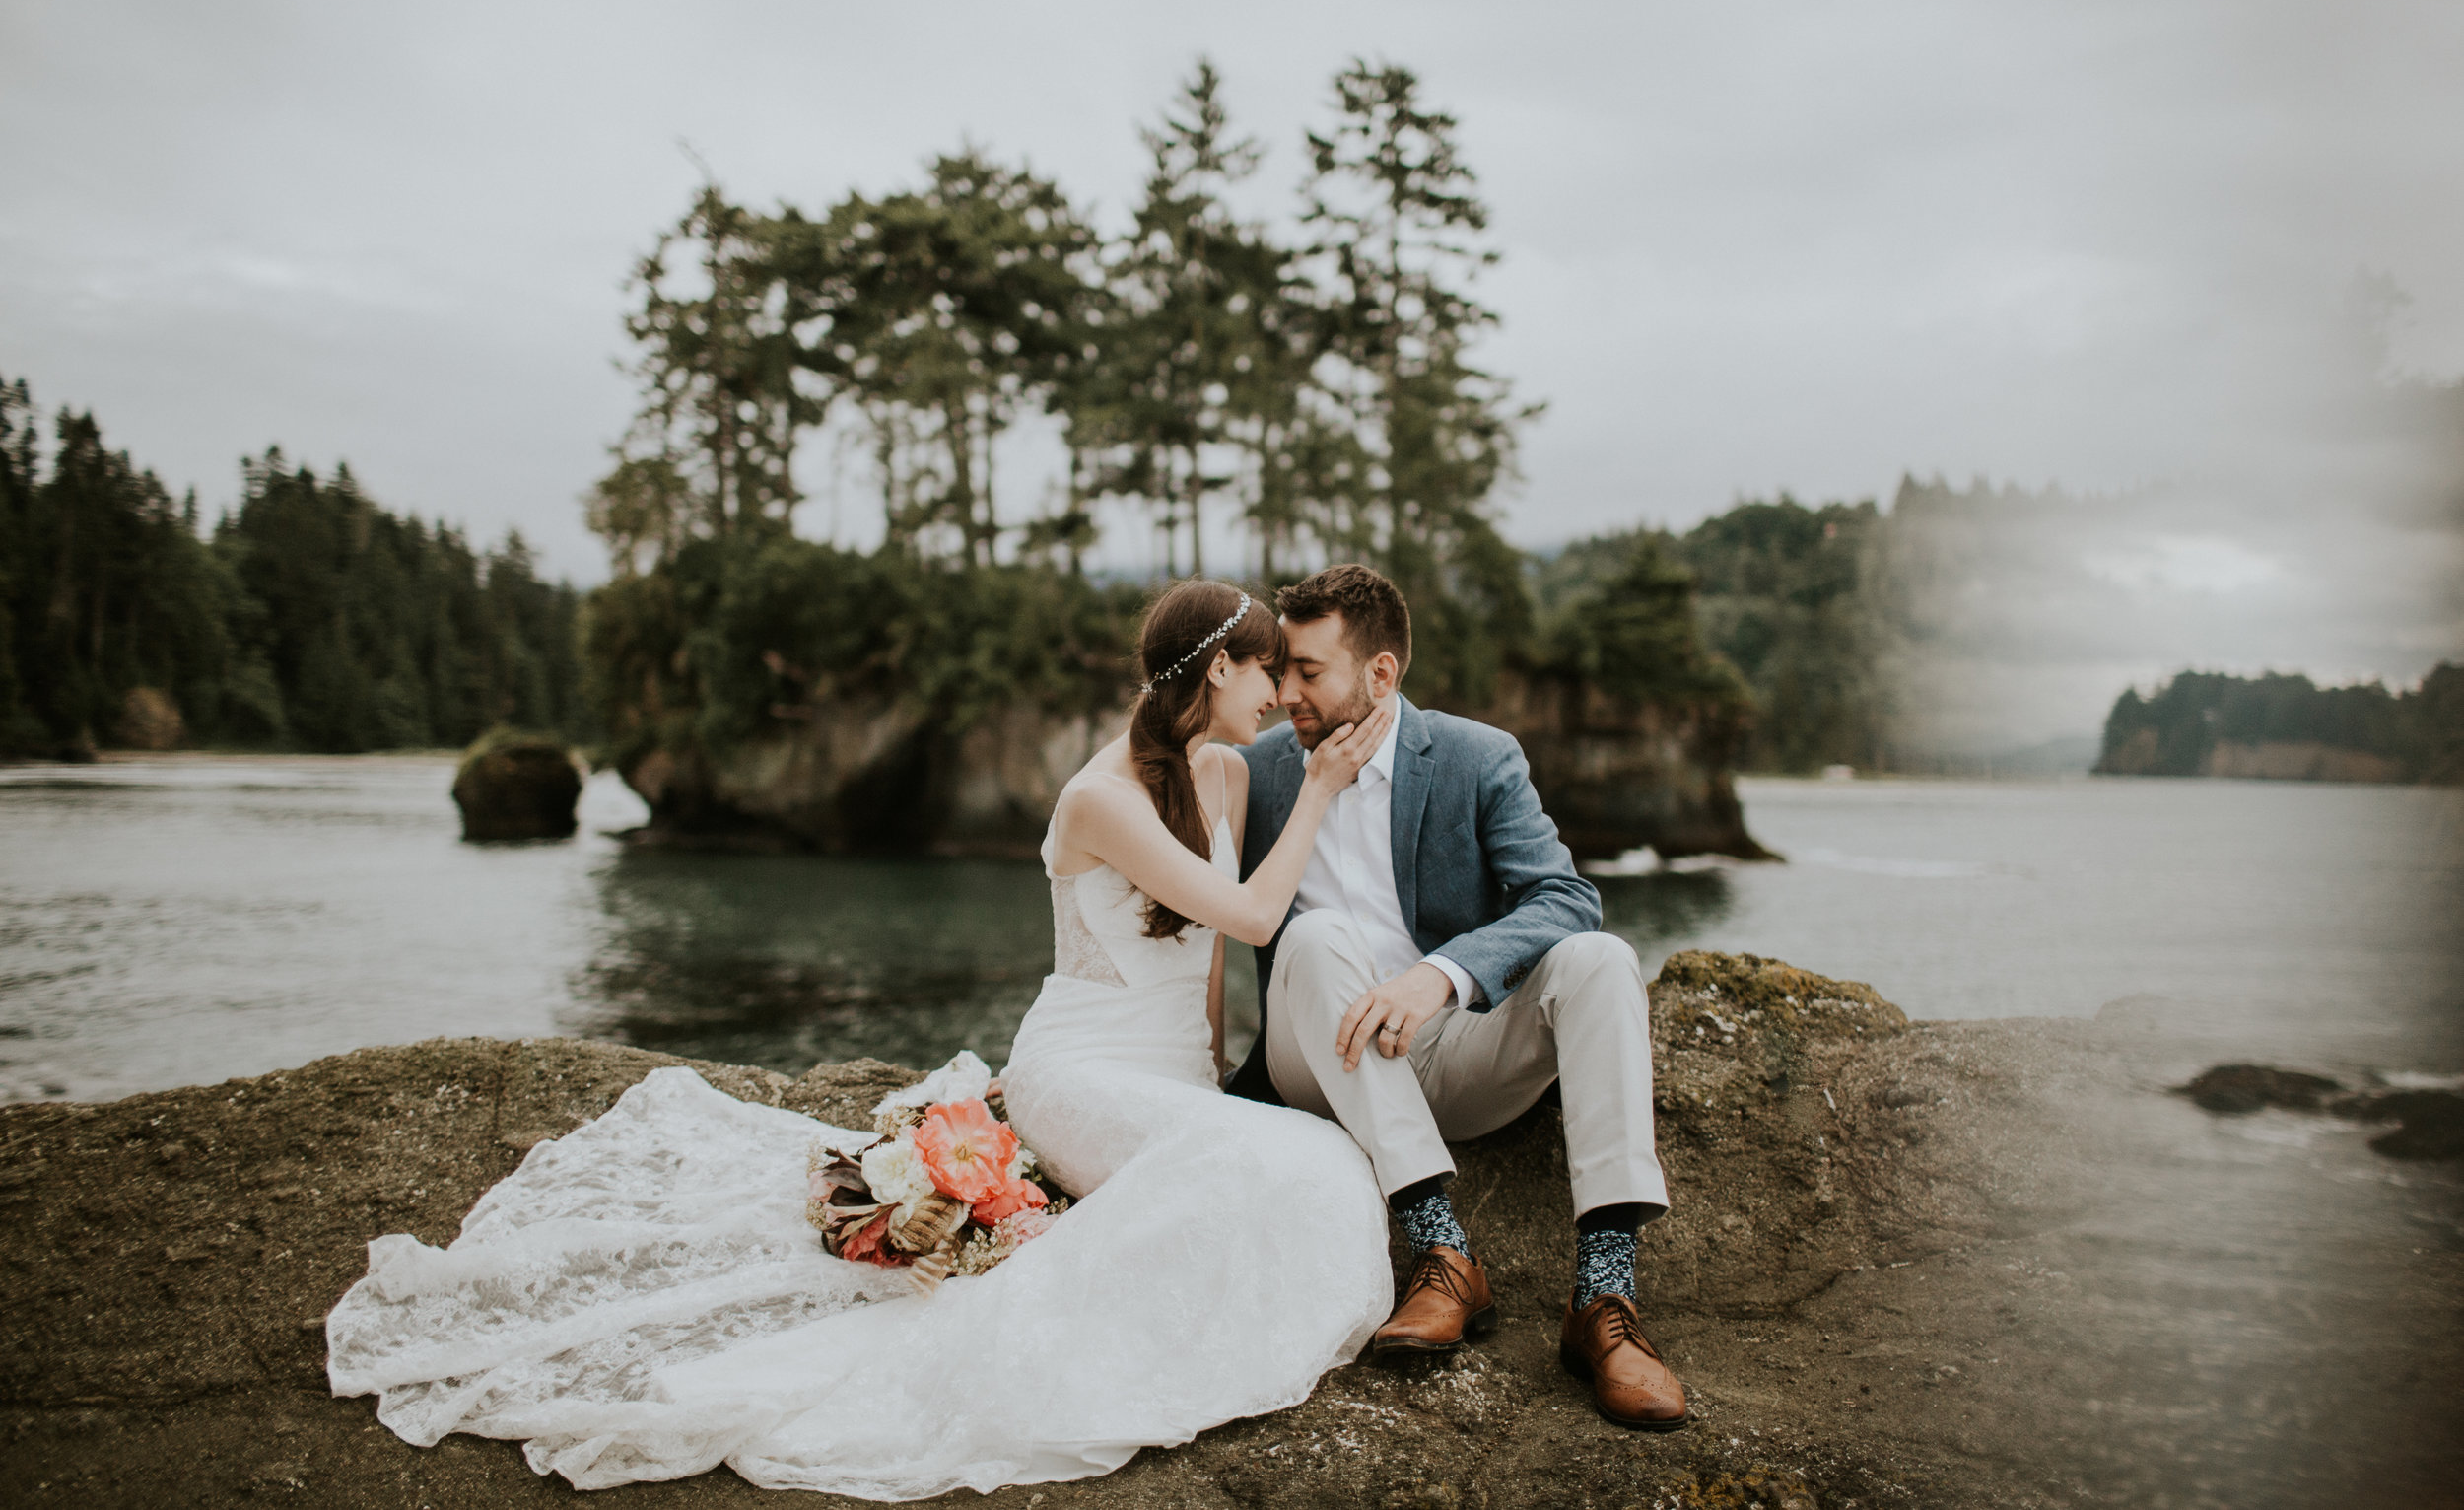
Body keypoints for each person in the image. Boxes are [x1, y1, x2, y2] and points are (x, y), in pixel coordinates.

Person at [325, 580, 1397, 1499]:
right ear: (1217, 672)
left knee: (1279, 1160)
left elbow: (1210, 956)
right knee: (1289, 1162)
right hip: (1080, 1070)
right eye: (1268, 672)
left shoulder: (1215, 774)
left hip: (1169, 1080)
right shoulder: (1098, 798)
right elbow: (1255, 915)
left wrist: (1213, 1073)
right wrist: (1317, 789)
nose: (1282, 694)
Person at [1225, 563, 1687, 1431]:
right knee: (1317, 934)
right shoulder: (1261, 773)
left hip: (1451, 1047)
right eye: (1281, 669)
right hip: (1319, 1063)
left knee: (1600, 956)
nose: (1287, 689)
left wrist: (1441, 974)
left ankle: (1604, 1297)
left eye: (1309, 672)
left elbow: (1564, 896)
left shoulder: (1477, 757)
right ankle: (1440, 1249)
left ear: (1381, 673)